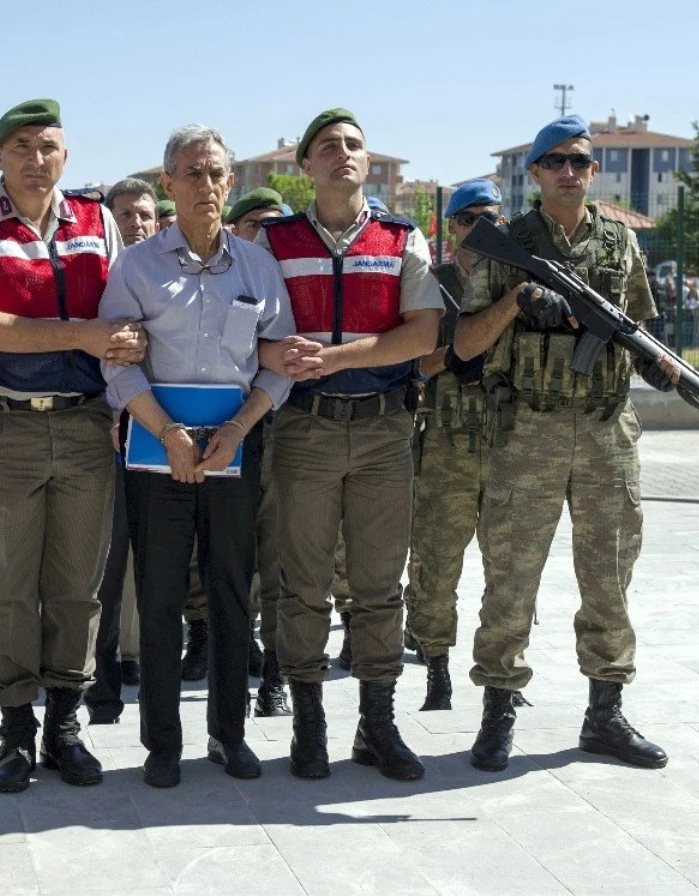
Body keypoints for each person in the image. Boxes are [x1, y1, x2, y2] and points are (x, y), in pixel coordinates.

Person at [454, 114, 678, 774]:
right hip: (528, 431)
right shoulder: (507, 243)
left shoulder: (619, 241)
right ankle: (499, 710)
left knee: (610, 575)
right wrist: (519, 301)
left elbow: (637, 329)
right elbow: (465, 344)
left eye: (581, 161)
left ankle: (604, 715)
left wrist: (660, 367)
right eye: (556, 162)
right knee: (510, 579)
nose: (570, 172)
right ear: (536, 174)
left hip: (608, 430)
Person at [0, 99, 141, 794]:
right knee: (9, 590)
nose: (35, 158)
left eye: (48, 145)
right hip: (6, 426)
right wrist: (79, 334)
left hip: (86, 425)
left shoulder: (97, 219)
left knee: (78, 588)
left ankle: (66, 723)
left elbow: (122, 315)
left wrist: (127, 348)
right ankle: (15, 729)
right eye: (21, 146)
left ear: (66, 155)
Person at [99, 124, 296, 788]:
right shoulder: (136, 266)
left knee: (232, 594)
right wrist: (171, 435)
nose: (206, 185)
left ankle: (228, 734)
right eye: (192, 173)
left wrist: (239, 428)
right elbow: (119, 368)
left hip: (234, 454)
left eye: (216, 173)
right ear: (168, 184)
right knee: (157, 599)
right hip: (159, 456)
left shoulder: (258, 268)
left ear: (230, 183)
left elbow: (279, 363)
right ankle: (161, 743)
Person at [259, 108, 442, 781]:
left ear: (369, 162)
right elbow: (247, 334)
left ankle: (378, 724)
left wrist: (333, 357)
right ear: (304, 165)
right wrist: (275, 352)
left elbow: (423, 335)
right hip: (304, 427)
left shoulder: (402, 237)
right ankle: (309, 726)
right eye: (329, 146)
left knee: (377, 584)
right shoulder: (271, 243)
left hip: (383, 428)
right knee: (302, 582)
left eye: (355, 145)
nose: (345, 154)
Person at [403, 179, 501, 712]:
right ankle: (436, 666)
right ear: (452, 228)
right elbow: (413, 361)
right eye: (469, 220)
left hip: (508, 444)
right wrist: (456, 354)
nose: (481, 229)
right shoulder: (431, 284)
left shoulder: (518, 281)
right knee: (436, 565)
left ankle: (499, 675)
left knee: (507, 569)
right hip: (445, 444)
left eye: (492, 218)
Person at [85, 177, 158, 726]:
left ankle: (152, 675)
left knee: (155, 567)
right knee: (104, 571)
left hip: (159, 438)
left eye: (146, 215)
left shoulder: (170, 275)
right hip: (104, 438)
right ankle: (100, 681)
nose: (136, 223)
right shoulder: (101, 281)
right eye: (126, 214)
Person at [227, 185, 289, 714]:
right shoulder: (231, 280)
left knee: (281, 560)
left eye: (277, 225)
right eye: (255, 226)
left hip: (285, 435)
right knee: (230, 556)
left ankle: (275, 674)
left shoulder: (289, 282)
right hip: (231, 432)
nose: (266, 236)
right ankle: (231, 652)